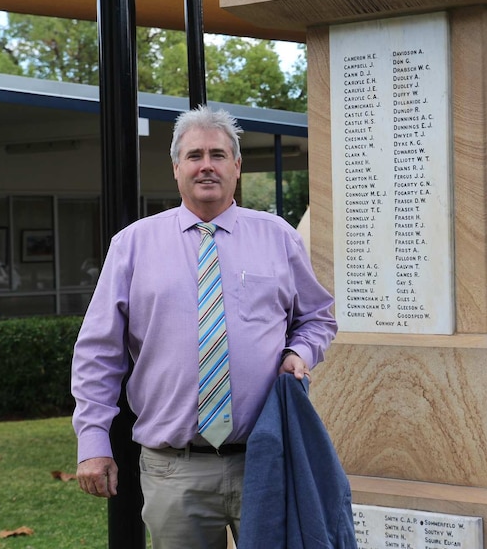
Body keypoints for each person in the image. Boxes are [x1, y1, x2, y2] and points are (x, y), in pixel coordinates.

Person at [71, 105, 337, 548]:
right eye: (194, 155)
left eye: (218, 154)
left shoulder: (278, 237)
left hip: (266, 460)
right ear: (176, 167)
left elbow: (316, 317)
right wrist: (94, 442)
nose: (206, 165)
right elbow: (98, 352)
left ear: (237, 166)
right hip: (174, 469)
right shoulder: (133, 245)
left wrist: (299, 354)